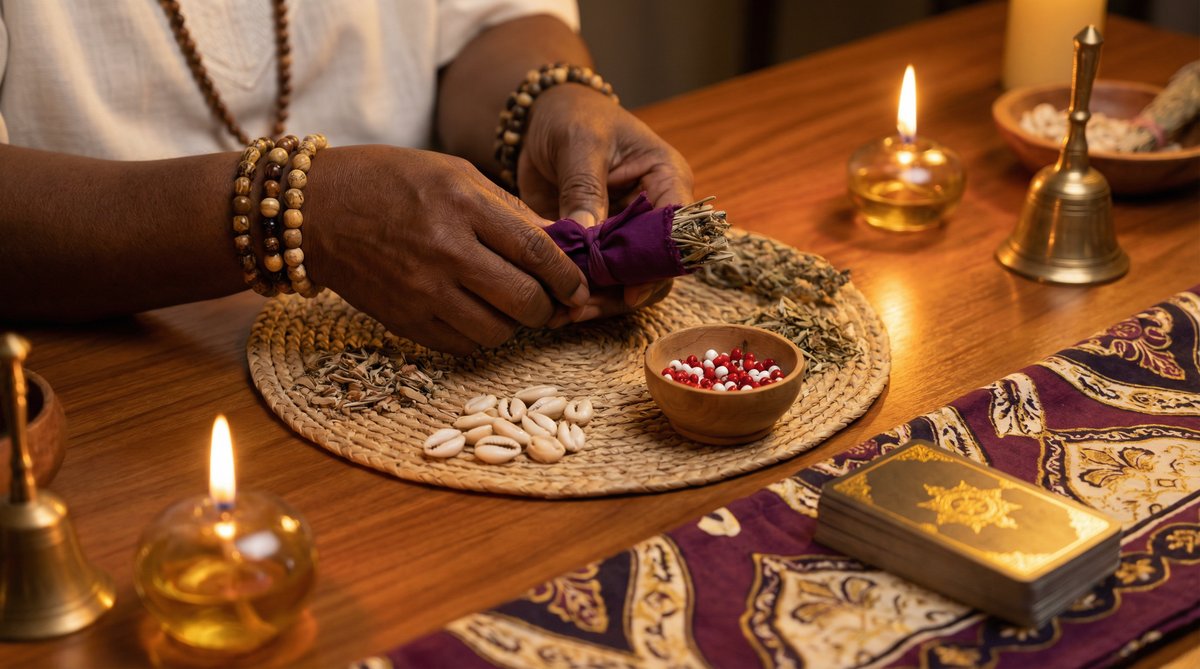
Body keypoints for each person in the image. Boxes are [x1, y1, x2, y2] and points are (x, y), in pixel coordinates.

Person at [0, 0, 692, 354]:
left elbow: (486, 21)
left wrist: (552, 101)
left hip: (420, 340)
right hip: (109, 368)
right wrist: (301, 212)